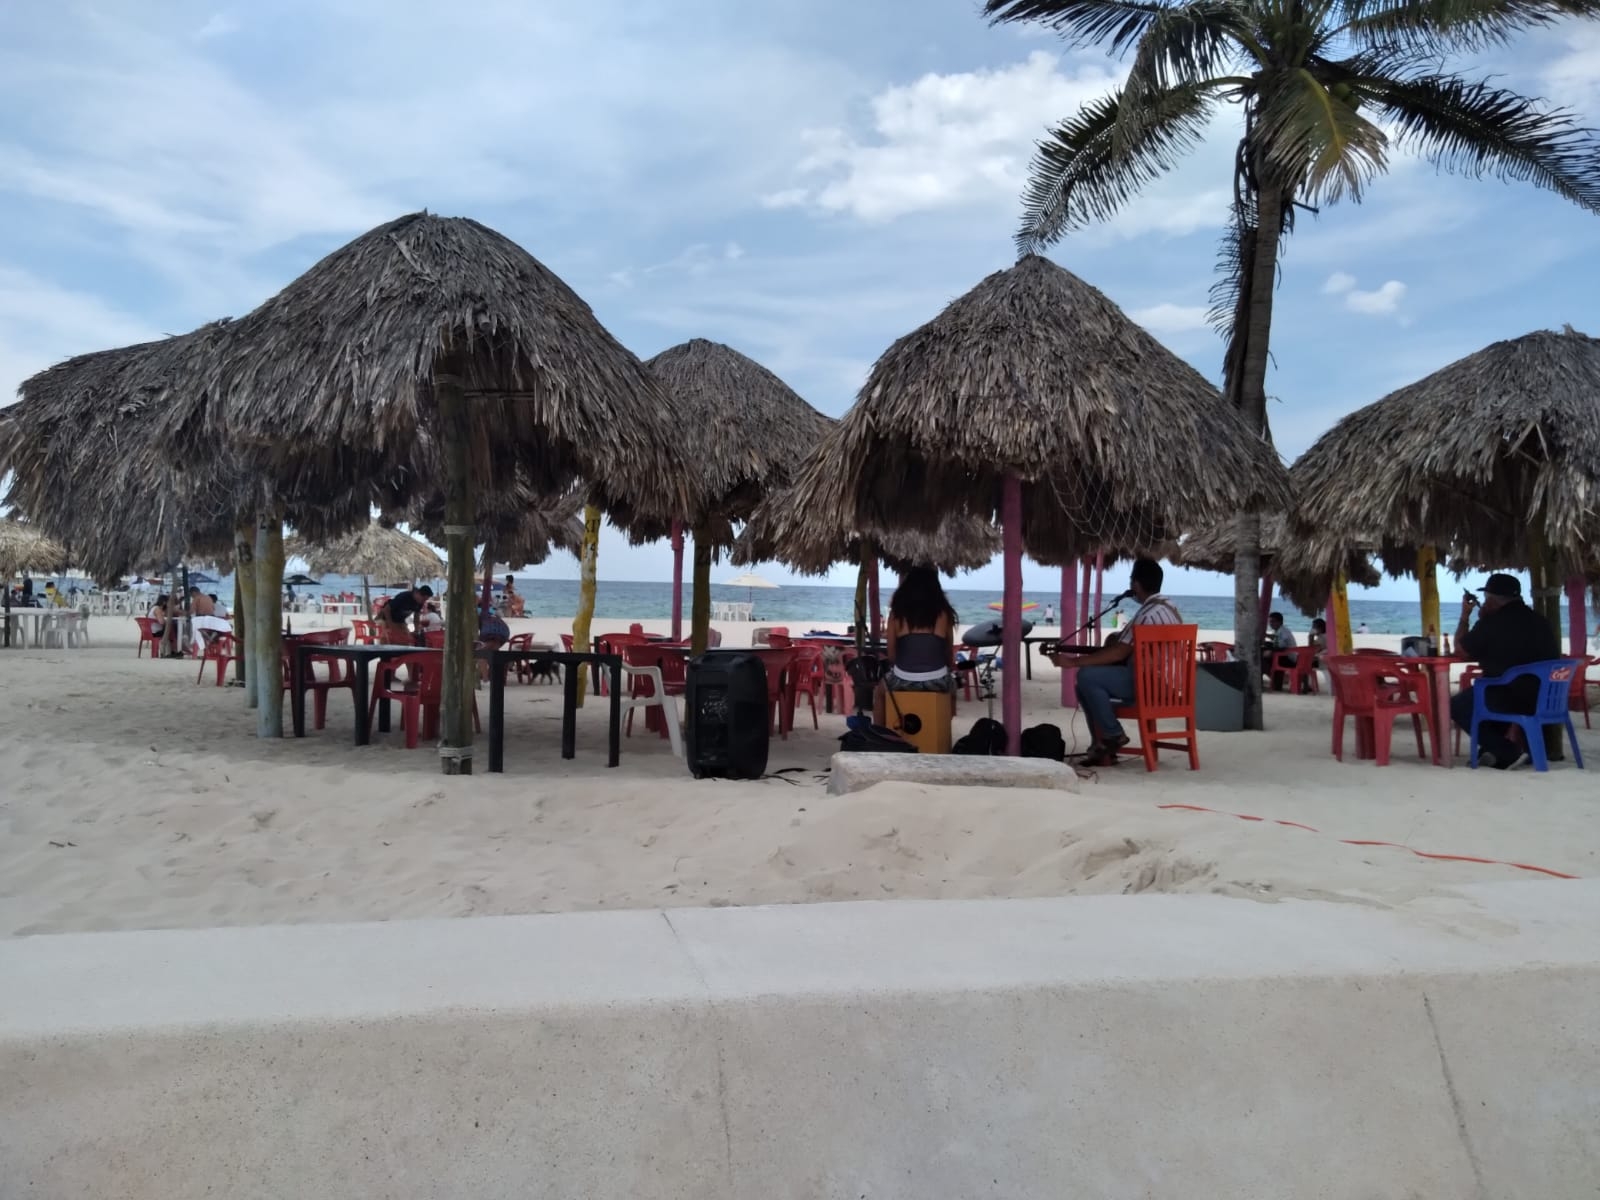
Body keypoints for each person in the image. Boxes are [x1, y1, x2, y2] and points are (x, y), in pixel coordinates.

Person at [1048, 557, 1181, 766]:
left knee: (1086, 676)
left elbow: (1119, 652)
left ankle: (1113, 734)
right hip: (1165, 688)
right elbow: (1124, 645)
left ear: (1135, 584)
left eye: (1131, 581)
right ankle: (1101, 744)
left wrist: (1074, 662)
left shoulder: (1146, 614)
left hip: (1144, 687)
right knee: (1084, 687)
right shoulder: (1170, 609)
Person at [1451, 573, 1560, 769]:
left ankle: (1507, 751)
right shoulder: (1541, 622)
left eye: (1486, 598)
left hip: (1512, 697)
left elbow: (1461, 650)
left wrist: (1465, 616)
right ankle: (1495, 750)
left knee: (1458, 705)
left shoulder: (1492, 623)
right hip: (1548, 697)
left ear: (1492, 600)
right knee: (1485, 695)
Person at [873, 566, 957, 726]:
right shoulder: (944, 613)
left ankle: (880, 736)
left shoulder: (896, 614)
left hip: (902, 678)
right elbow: (948, 654)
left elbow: (891, 656)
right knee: (952, 692)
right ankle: (941, 730)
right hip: (937, 679)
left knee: (879, 693)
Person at [189, 586, 232, 655]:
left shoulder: (196, 598)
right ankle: (208, 639)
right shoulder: (208, 598)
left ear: (194, 593)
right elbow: (213, 610)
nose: (191, 597)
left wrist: (182, 611)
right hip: (212, 622)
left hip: (202, 621)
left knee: (193, 628)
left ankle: (194, 643)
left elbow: (191, 611)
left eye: (191, 595)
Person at [1262, 611, 1296, 692]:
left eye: (1273, 621)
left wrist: (1269, 649)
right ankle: (1276, 682)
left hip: (1289, 659)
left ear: (1279, 622)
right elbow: (1276, 640)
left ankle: (1276, 682)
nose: (1270, 624)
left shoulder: (1283, 631)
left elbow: (1281, 647)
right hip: (1284, 656)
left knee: (1262, 659)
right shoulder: (1278, 631)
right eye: (1270, 622)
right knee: (1263, 656)